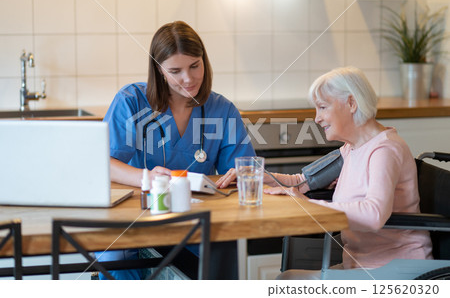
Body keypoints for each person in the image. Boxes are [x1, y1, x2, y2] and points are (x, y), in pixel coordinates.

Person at [217, 66, 433, 279]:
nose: (317, 118)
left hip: (391, 268)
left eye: (322, 107)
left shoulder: (384, 150)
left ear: (351, 103)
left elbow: (374, 214)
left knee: (286, 283)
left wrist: (305, 204)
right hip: (359, 264)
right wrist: (260, 176)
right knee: (286, 279)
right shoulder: (351, 148)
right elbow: (302, 181)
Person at [97, 21, 255, 280]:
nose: (188, 78)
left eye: (195, 65)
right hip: (138, 222)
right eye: (175, 70)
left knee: (224, 248)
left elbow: (242, 168)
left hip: (194, 223)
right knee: (118, 255)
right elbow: (103, 163)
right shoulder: (131, 101)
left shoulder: (222, 109)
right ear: (159, 70)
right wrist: (145, 177)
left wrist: (237, 175)